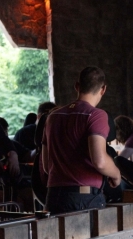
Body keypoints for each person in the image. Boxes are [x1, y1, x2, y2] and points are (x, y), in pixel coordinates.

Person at [41, 66, 121, 214]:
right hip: (83, 199)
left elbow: (46, 166)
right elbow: (100, 161)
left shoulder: (52, 117)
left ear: (77, 86)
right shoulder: (96, 115)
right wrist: (116, 174)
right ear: (103, 89)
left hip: (53, 197)